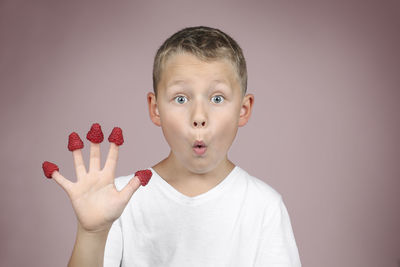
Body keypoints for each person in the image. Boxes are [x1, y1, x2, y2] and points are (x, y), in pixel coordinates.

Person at [49, 26, 301, 266]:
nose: (199, 116)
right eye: (181, 98)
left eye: (217, 98)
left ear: (243, 110)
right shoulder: (119, 200)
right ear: (155, 108)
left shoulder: (264, 207)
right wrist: (91, 232)